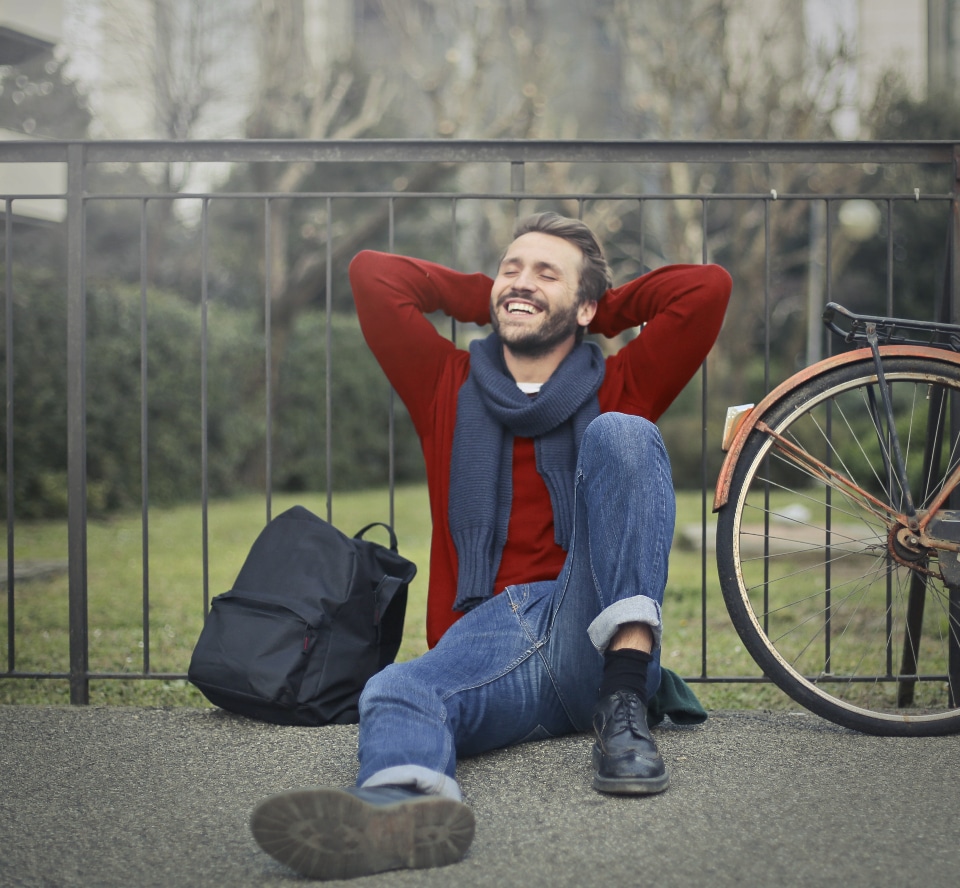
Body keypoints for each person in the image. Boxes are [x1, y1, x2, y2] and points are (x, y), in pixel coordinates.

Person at [250, 212, 732, 880]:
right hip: (487, 643)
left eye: (544, 273)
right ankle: (400, 808)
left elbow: (704, 289)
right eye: (511, 268)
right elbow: (373, 275)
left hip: (587, 636)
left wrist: (594, 309)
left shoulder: (623, 382)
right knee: (398, 687)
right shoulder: (444, 385)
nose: (521, 282)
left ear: (586, 304)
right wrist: (500, 293)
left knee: (624, 434)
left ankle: (623, 707)